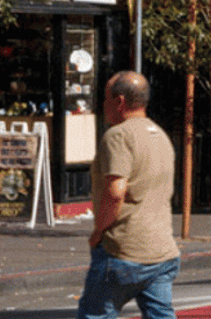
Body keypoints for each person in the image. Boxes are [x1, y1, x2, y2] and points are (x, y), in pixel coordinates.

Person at [79, 71, 179, 319]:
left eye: (105, 99)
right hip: (162, 250)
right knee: (161, 314)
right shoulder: (160, 135)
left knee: (96, 314)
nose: (103, 105)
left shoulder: (118, 135)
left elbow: (116, 192)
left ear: (119, 101)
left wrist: (99, 231)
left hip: (124, 248)